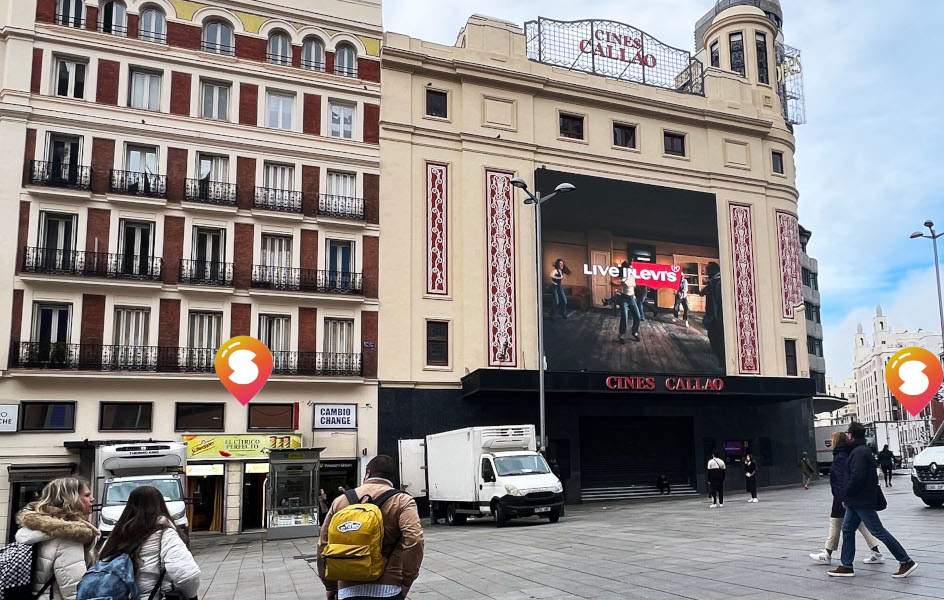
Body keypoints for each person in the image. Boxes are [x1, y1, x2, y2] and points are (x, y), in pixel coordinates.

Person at [318, 455, 424, 600]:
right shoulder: (402, 501)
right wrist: (407, 581)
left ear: (367, 473)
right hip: (389, 588)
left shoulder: (340, 501)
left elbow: (323, 545)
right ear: (392, 479)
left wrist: (330, 586)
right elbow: (414, 540)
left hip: (347, 590)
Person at [828, 422, 917, 579]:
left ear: (851, 435)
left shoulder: (859, 453)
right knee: (847, 529)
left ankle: (906, 561)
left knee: (878, 531)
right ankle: (846, 565)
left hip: (861, 500)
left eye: (848, 434)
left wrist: (847, 494)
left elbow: (857, 477)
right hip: (857, 500)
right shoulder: (860, 450)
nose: (847, 436)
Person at [98, 485, 200, 599]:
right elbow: (188, 576)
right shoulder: (165, 534)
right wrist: (189, 596)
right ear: (160, 504)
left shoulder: (117, 534)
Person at [14, 477, 98, 600]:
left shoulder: (35, 531)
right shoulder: (68, 537)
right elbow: (75, 592)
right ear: (71, 499)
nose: (92, 500)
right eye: (87, 495)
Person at [810, 431, 884, 566]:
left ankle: (829, 555)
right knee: (861, 525)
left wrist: (841, 498)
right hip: (850, 497)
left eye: (832, 440)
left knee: (836, 524)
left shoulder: (839, 456)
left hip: (843, 498)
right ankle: (876, 552)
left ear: (836, 442)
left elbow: (840, 479)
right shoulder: (848, 453)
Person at [603, 262, 641, 343]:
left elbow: (632, 285)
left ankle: (635, 332)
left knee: (637, 316)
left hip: (631, 299)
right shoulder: (623, 277)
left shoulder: (632, 276)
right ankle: (621, 335)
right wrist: (618, 281)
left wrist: (633, 295)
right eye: (629, 268)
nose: (631, 269)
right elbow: (614, 282)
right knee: (624, 317)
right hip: (624, 299)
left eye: (631, 268)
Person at [700, 262, 724, 365]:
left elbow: (702, 293)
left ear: (714, 270)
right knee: (718, 340)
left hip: (716, 317)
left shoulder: (715, 282)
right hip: (717, 317)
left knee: (716, 340)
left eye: (708, 270)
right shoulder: (715, 281)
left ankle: (723, 362)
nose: (706, 272)